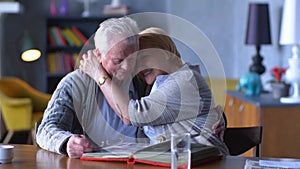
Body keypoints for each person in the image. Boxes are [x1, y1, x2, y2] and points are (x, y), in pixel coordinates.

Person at [79, 27, 229, 155]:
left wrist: (98, 74)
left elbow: (131, 115)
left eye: (144, 58)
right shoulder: (161, 83)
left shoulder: (184, 81)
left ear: (165, 54)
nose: (138, 68)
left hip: (205, 163)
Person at [36, 17, 148, 158]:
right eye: (118, 61)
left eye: (132, 59)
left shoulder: (144, 81)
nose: (127, 67)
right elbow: (46, 129)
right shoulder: (75, 83)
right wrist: (67, 142)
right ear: (98, 55)